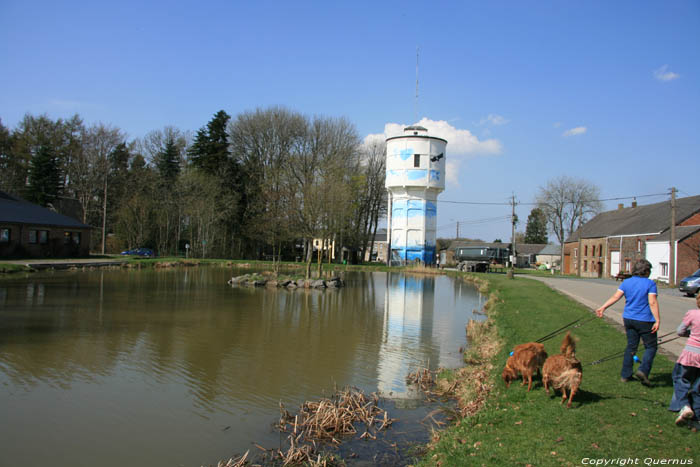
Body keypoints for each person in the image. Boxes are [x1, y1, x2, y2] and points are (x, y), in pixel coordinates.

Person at [595, 259, 660, 385]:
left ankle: (626, 375)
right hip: (645, 320)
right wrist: (657, 320)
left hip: (629, 319)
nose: (650, 273)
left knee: (631, 346)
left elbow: (615, 297)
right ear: (645, 271)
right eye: (649, 270)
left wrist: (603, 307)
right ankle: (643, 370)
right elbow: (652, 302)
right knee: (651, 346)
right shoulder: (650, 284)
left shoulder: (627, 282)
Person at [670, 293, 700, 426]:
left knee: (680, 379)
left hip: (690, 354)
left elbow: (680, 331)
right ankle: (697, 418)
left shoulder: (692, 314)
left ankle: (684, 406)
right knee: (698, 388)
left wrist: (690, 333)